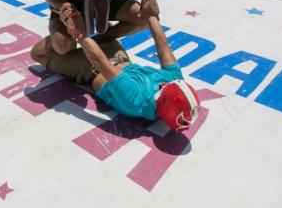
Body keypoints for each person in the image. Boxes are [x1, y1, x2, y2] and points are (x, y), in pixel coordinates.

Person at [30, 10, 200, 132]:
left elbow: (99, 61)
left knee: (38, 54)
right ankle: (85, 13)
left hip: (92, 68)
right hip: (114, 56)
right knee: (124, 20)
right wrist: (151, 15)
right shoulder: (174, 81)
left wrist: (76, 33)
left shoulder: (137, 101)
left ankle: (71, 31)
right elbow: (162, 45)